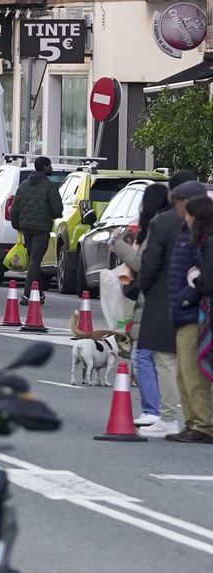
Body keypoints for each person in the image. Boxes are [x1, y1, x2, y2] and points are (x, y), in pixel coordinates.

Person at [127, 171, 201, 437]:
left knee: (166, 358)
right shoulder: (201, 221)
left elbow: (149, 264)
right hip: (197, 297)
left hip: (163, 296)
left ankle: (170, 416)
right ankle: (196, 420)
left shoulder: (163, 222)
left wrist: (142, 287)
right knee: (192, 362)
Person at [112, 182, 170, 432]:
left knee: (142, 355)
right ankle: (157, 411)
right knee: (153, 357)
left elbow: (143, 264)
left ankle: (154, 411)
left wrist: (119, 245)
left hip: (152, 299)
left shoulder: (157, 226)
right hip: (155, 298)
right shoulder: (164, 224)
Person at [172, 194, 213, 444]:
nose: (185, 219)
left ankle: (203, 425)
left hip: (196, 313)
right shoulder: (198, 240)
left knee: (192, 372)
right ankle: (192, 422)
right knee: (182, 372)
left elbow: (205, 279)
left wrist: (187, 294)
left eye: (188, 215)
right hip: (188, 311)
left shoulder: (206, 244)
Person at [9, 156, 63, 302]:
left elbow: (14, 209)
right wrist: (53, 214)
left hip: (26, 229)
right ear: (45, 167)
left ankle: (37, 293)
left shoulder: (24, 185)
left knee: (34, 260)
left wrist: (17, 225)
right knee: (35, 260)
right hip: (41, 229)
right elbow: (57, 210)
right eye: (50, 166)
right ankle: (27, 294)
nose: (51, 168)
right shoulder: (50, 187)